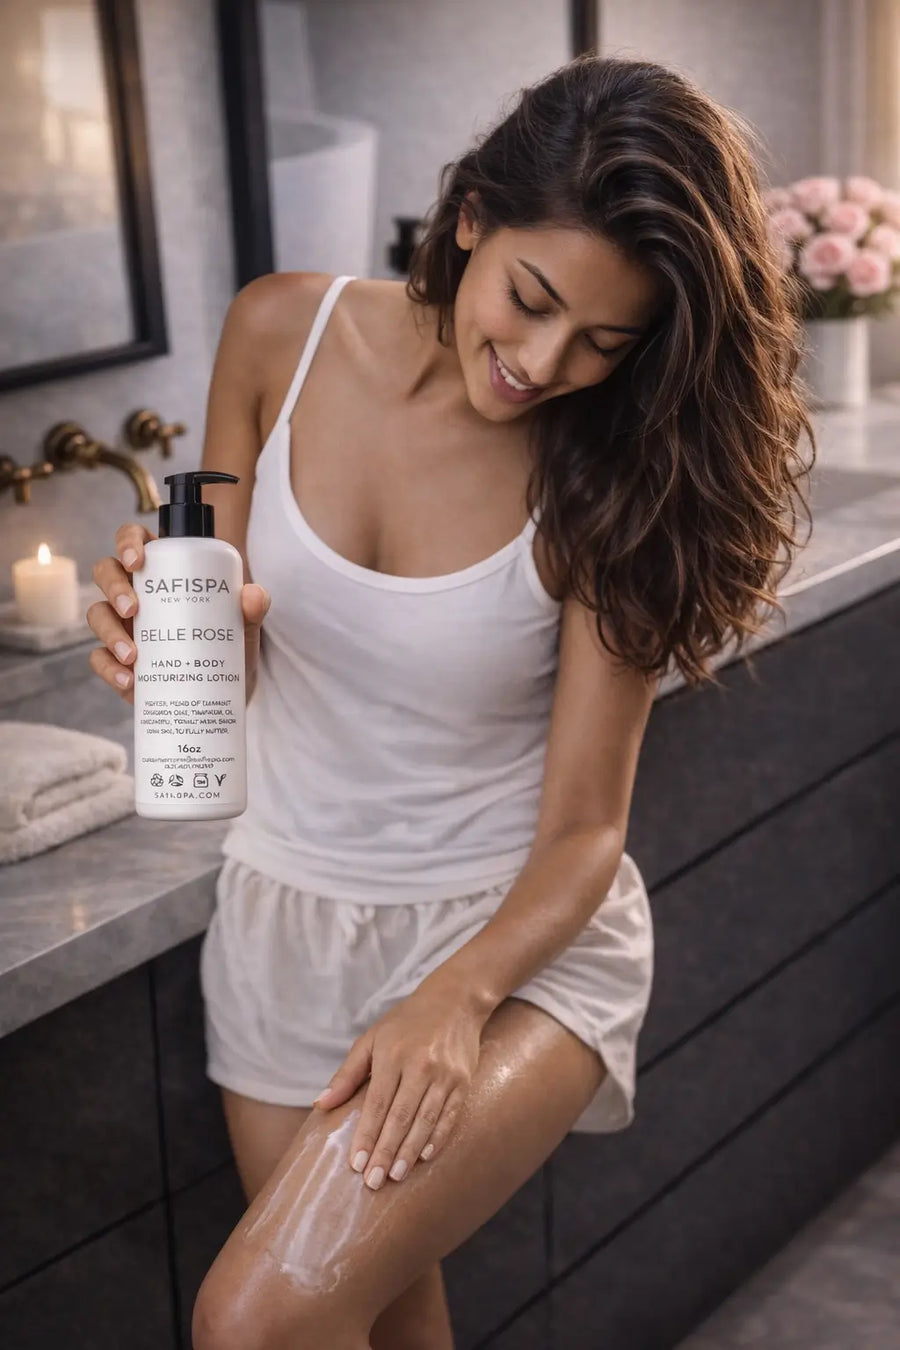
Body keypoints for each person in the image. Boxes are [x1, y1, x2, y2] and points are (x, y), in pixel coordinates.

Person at [87, 52, 814, 1350]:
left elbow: (589, 830)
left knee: (253, 1318)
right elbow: (231, 643)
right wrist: (162, 631)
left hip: (511, 946)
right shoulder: (277, 333)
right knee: (370, 1320)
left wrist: (457, 996)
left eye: (604, 338)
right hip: (285, 925)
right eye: (531, 298)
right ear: (471, 216)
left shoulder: (615, 462)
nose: (542, 361)